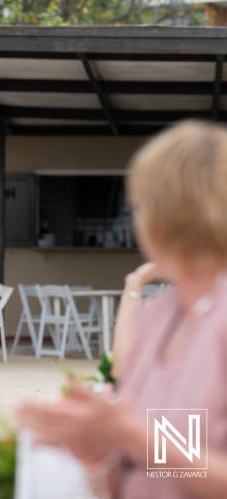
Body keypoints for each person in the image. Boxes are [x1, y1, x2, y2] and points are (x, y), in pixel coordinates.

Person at [18, 120, 227, 498]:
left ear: (161, 221)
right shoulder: (156, 315)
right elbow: (145, 473)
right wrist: (97, 449)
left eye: (139, 205)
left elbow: (153, 449)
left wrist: (130, 435)